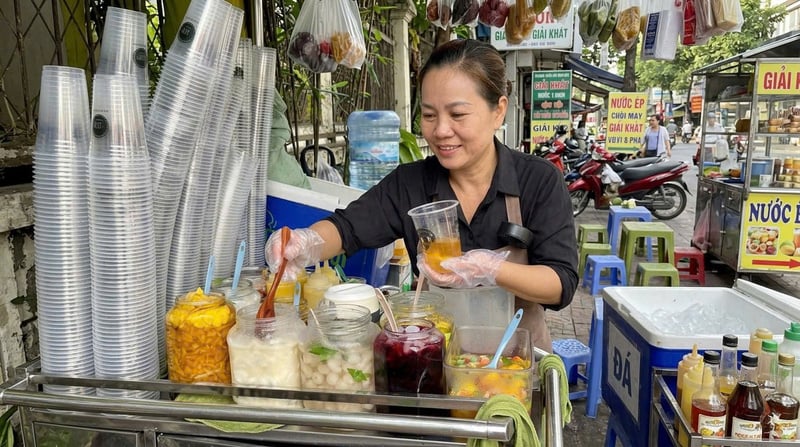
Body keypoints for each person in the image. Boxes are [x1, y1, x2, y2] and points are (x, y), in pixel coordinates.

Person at [264, 39, 578, 352]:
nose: (441, 130)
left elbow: (560, 284)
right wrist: (304, 243)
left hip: (516, 370)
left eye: (457, 115)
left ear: (498, 111)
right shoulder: (410, 184)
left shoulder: (537, 180)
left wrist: (491, 269)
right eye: (429, 115)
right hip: (435, 365)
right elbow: (347, 229)